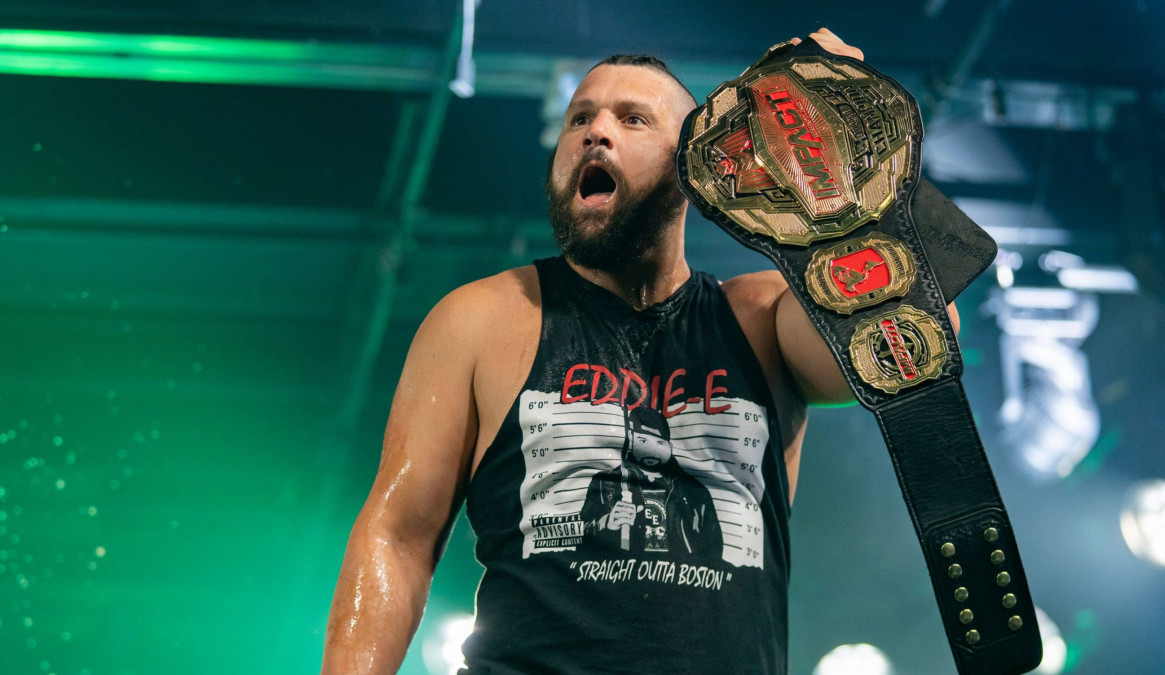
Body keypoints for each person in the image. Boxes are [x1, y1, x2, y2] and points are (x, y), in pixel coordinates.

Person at [321, 29, 959, 675]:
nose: (595, 132)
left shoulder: (764, 319)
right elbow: (397, 534)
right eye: (580, 118)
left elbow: (919, 346)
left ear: (692, 169)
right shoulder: (481, 319)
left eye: (632, 119)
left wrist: (853, 160)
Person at [578, 406, 723, 563]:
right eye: (643, 441)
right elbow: (579, 535)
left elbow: (713, 546)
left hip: (681, 578)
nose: (651, 450)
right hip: (620, 578)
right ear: (631, 440)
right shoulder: (605, 483)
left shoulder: (694, 491)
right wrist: (607, 523)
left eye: (660, 443)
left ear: (670, 447)